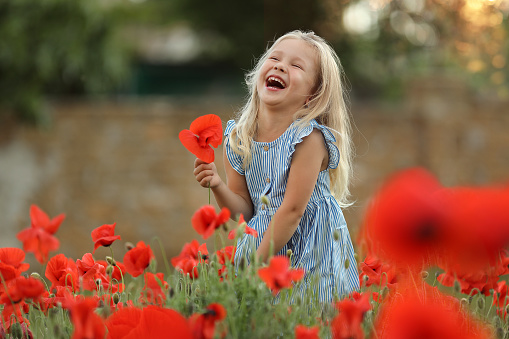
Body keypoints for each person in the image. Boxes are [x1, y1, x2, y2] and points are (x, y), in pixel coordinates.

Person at [193, 30, 359, 303]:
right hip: (263, 243)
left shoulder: (309, 138)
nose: (280, 65)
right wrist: (217, 185)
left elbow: (292, 211)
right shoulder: (239, 138)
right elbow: (245, 210)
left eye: (296, 65)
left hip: (310, 246)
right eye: (274, 58)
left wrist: (254, 266)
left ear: (312, 94)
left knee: (307, 318)